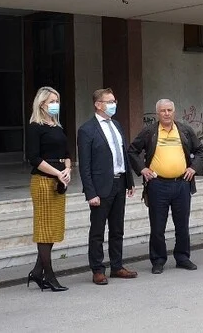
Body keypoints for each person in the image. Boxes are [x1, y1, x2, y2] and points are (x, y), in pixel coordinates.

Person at [128, 99, 203, 274]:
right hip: (157, 185)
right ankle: (158, 260)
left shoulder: (184, 130)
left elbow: (200, 151)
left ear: (174, 112)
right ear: (157, 113)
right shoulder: (149, 131)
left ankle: (183, 257)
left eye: (169, 110)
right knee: (157, 226)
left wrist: (194, 168)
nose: (166, 113)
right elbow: (132, 150)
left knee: (182, 224)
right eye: (163, 110)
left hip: (182, 184)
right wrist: (142, 169)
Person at [78, 88, 137, 285]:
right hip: (100, 187)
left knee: (117, 228)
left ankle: (117, 266)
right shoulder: (87, 130)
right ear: (98, 104)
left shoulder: (117, 126)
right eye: (109, 101)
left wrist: (129, 181)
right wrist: (90, 193)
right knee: (97, 231)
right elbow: (85, 166)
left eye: (114, 100)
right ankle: (97, 269)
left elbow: (123, 155)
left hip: (119, 183)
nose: (114, 104)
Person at [25, 86, 72, 292]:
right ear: (42, 104)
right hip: (43, 181)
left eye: (57, 101)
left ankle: (37, 272)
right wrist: (56, 172)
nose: (55, 105)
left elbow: (68, 153)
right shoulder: (36, 126)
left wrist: (67, 170)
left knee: (53, 228)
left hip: (60, 180)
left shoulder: (58, 126)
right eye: (52, 101)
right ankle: (49, 275)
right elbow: (34, 158)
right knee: (44, 229)